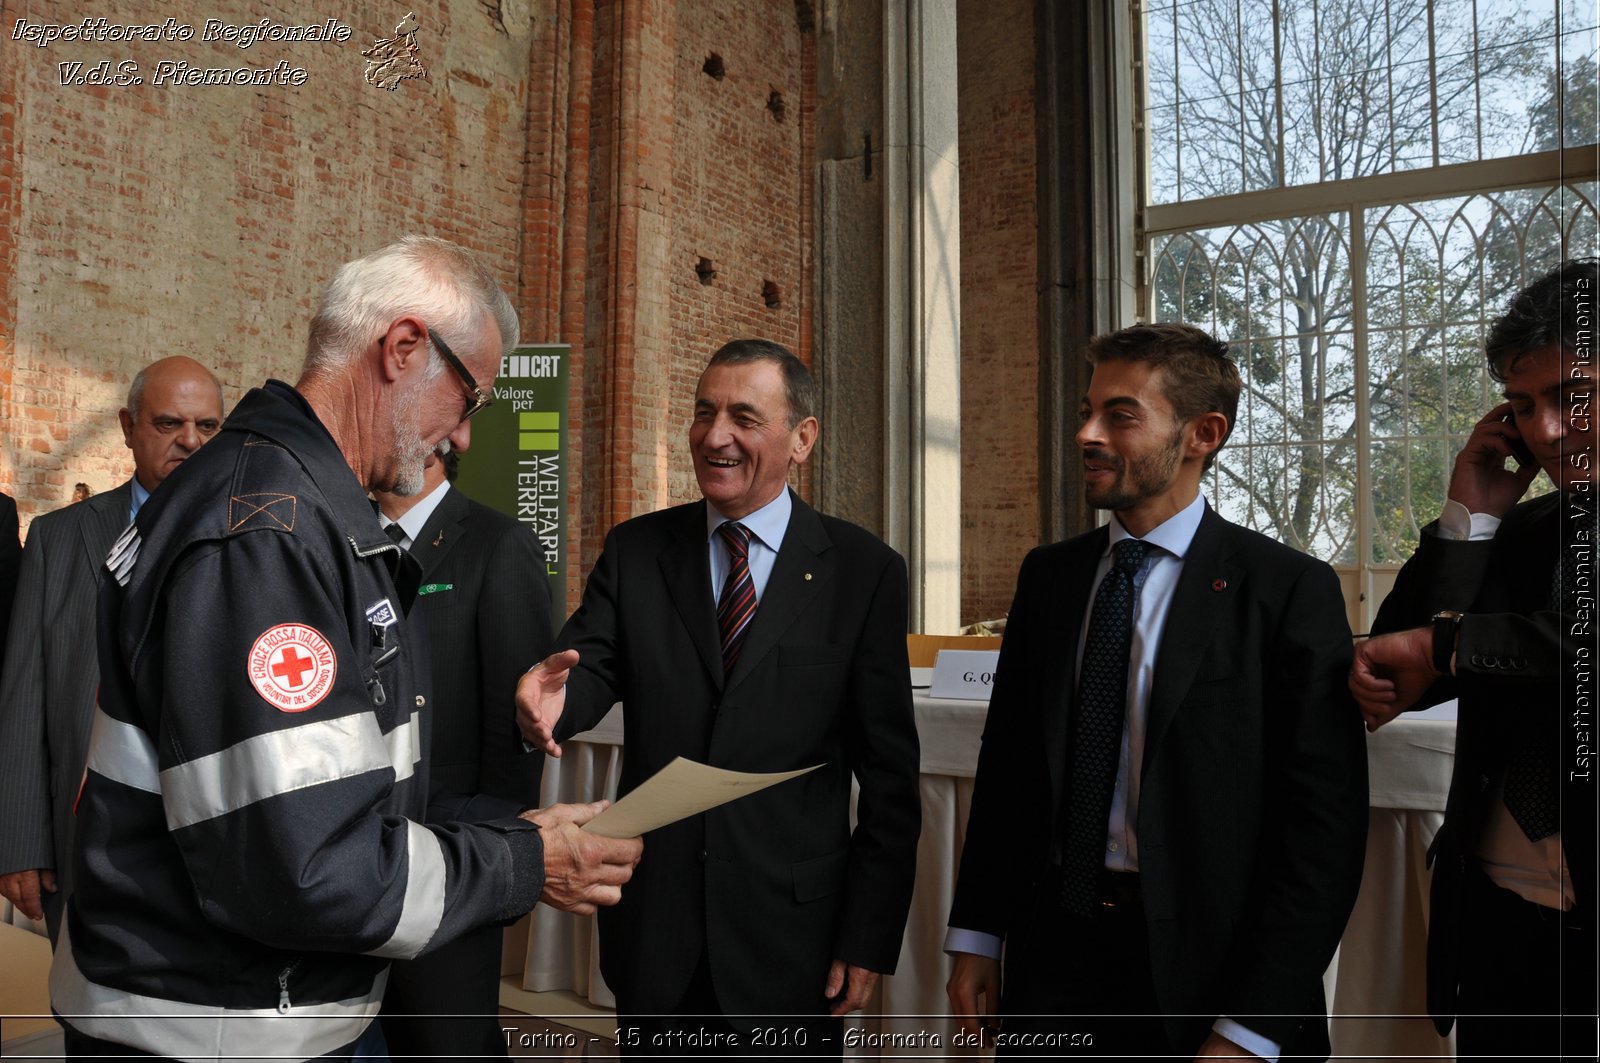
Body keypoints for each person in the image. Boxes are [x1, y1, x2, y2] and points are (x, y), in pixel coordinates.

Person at [52, 236, 642, 1060]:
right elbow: (305, 867)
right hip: (211, 1022)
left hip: (261, 1004)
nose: (464, 439)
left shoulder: (300, 502)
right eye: (468, 399)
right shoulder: (265, 531)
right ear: (403, 349)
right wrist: (522, 860)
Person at [945, 323, 1369, 1059]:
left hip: (1213, 978)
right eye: (1087, 409)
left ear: (1203, 433)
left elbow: (1323, 834)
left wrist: (1251, 1027)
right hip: (1057, 962)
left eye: (1120, 414)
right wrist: (977, 935)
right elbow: (1010, 767)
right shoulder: (1049, 576)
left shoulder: (1285, 590)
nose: (1086, 432)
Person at [518, 338, 921, 1055]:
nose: (714, 435)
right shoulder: (638, 550)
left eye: (742, 415)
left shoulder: (864, 572)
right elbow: (590, 665)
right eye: (704, 413)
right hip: (657, 932)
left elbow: (890, 777)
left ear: (802, 438)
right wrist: (551, 700)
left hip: (791, 941)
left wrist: (868, 933)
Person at [1350, 259, 1599, 1060]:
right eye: (1524, 406)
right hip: (1496, 922)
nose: (1544, 432)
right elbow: (1396, 675)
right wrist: (1470, 517)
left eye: (1573, 396)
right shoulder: (1524, 534)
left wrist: (1448, 646)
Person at [0, 356, 225, 942]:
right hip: (90, 839)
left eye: (208, 426)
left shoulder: (255, 541)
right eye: (170, 424)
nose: (191, 441)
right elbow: (25, 696)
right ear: (127, 427)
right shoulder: (59, 539)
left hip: (210, 843)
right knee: (92, 1022)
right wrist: (19, 840)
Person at [374, 449, 555, 1059]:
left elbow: (516, 739)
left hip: (453, 864)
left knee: (446, 1045)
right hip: (355, 856)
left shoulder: (500, 543)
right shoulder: (342, 538)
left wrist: (494, 863)